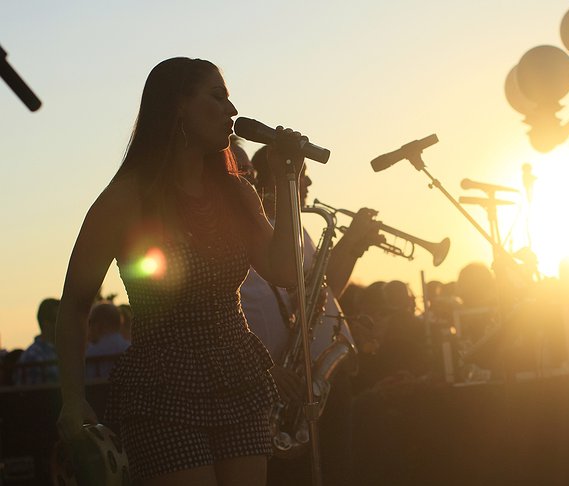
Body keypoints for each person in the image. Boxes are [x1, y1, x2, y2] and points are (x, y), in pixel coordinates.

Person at [55, 57, 307, 485]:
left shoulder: (237, 193)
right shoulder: (125, 199)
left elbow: (284, 269)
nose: (232, 110)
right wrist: (72, 398)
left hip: (237, 375)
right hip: (163, 386)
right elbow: (76, 304)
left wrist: (287, 178)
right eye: (217, 96)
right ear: (177, 106)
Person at [239, 145, 384, 485]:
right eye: (299, 177)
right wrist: (262, 370)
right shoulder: (259, 237)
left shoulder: (298, 232)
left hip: (321, 377)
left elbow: (324, 289)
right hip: (286, 387)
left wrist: (351, 247)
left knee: (338, 470)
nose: (307, 184)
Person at [13, 297, 60, 385]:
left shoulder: (69, 351)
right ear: (45, 323)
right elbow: (33, 396)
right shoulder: (32, 357)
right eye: (57, 320)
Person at [85, 301, 130, 380]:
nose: (88, 327)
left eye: (90, 322)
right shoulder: (130, 349)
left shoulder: (90, 353)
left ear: (99, 324)